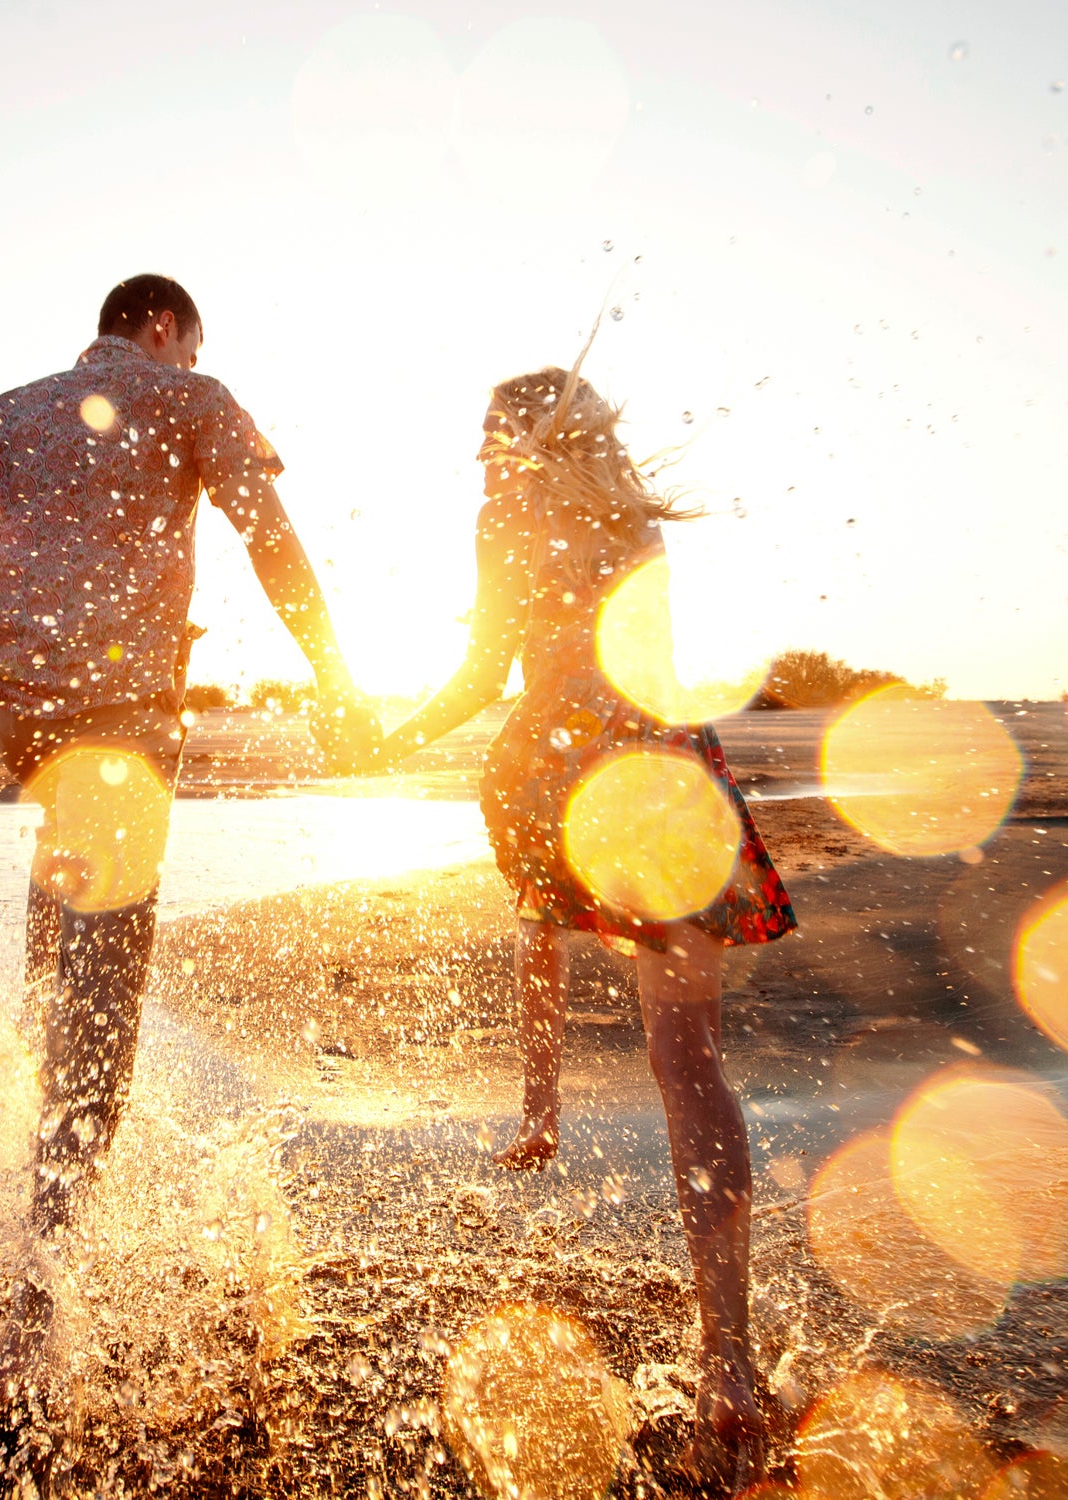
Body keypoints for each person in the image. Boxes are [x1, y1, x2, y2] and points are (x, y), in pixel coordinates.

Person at [0, 272, 378, 1366]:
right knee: (107, 989)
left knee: (64, 894)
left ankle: (18, 1131)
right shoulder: (193, 394)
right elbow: (267, 537)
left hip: (12, 704)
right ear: (167, 328)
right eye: (185, 343)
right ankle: (35, 1301)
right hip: (119, 710)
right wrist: (335, 676)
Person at [368, 359, 796, 1492]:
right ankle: (731, 1361)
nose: (477, 452)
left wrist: (393, 736)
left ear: (516, 440)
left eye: (486, 431)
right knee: (689, 1060)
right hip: (663, 774)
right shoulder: (637, 524)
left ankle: (542, 1106)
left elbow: (480, 668)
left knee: (538, 916)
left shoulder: (503, 511)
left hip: (558, 763)